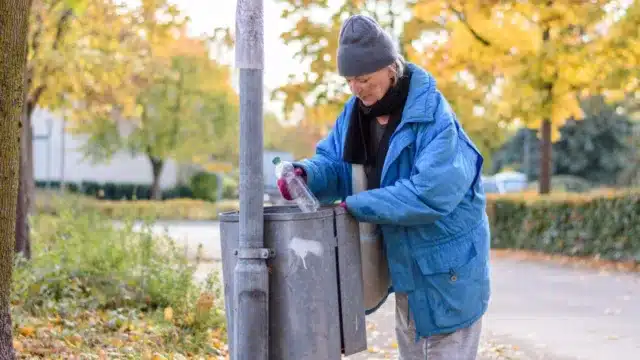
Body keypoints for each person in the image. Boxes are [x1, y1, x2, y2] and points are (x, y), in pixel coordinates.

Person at [277, 14, 491, 360]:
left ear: (391, 68)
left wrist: (357, 205)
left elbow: (429, 193)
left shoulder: (434, 116)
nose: (357, 88)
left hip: (446, 271)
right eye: (349, 81)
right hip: (410, 267)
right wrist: (305, 174)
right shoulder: (356, 113)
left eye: (364, 78)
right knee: (414, 351)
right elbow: (334, 162)